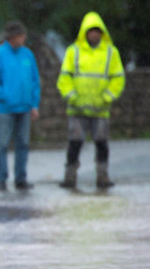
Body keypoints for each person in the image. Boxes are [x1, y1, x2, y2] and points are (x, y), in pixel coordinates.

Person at [57, 11, 125, 189]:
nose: (94, 34)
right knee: (75, 143)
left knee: (101, 143)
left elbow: (118, 78)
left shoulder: (111, 52)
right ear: (85, 32)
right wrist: (71, 96)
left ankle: (103, 176)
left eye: (97, 31)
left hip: (100, 108)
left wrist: (107, 97)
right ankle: (70, 176)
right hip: (77, 108)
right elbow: (65, 77)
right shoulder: (74, 51)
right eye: (91, 31)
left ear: (102, 33)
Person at [0, 21, 41, 191]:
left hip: (25, 108)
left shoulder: (27, 55)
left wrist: (34, 104)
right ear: (12, 37)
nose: (24, 38)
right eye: (22, 35)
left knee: (23, 143)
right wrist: (6, 98)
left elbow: (34, 81)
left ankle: (20, 178)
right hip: (5, 109)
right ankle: (0, 178)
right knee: (2, 144)